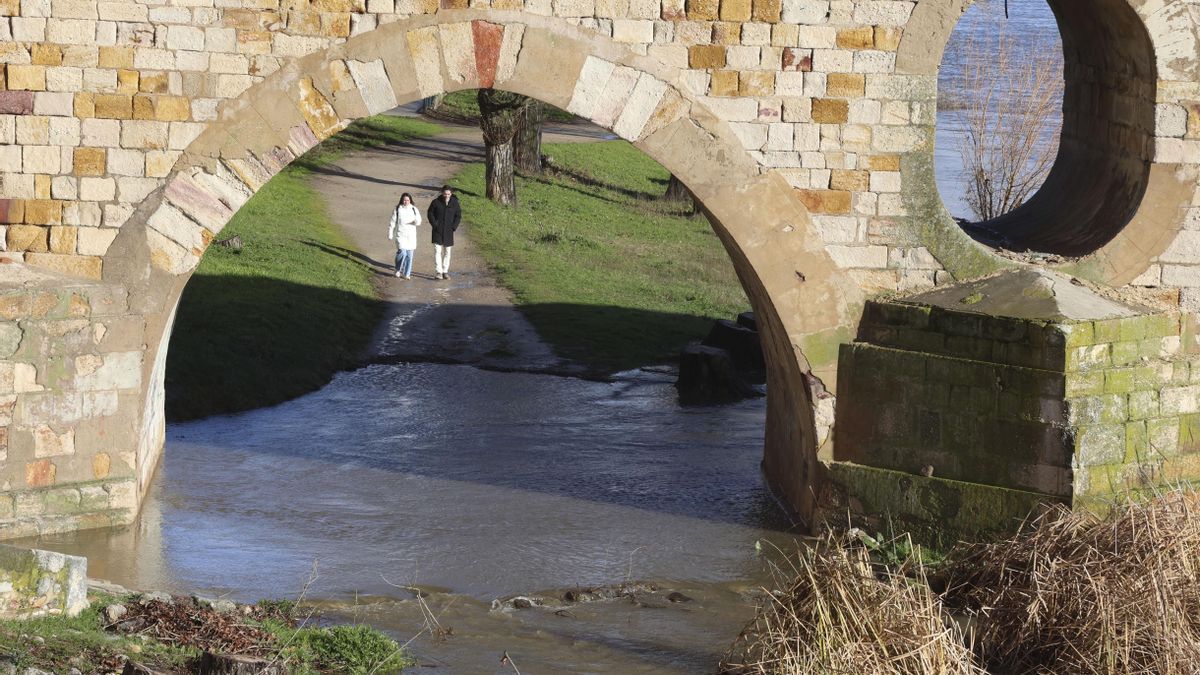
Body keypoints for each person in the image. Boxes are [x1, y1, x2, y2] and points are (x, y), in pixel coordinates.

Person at [427, 184, 461, 280]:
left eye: (448, 194)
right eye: (445, 194)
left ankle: (445, 271)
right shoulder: (436, 202)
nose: (447, 196)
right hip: (437, 230)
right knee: (437, 251)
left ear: (451, 194)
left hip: (449, 231)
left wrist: (454, 227)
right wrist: (435, 224)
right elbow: (430, 213)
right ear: (442, 193)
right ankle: (439, 272)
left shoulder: (455, 203)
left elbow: (458, 216)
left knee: (447, 252)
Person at [387, 192, 421, 279]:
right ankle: (397, 269)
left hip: (411, 236)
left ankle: (406, 273)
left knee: (409, 256)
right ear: (402, 200)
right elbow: (392, 223)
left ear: (410, 200)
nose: (406, 202)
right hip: (401, 235)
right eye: (404, 200)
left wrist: (415, 222)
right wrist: (390, 234)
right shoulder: (398, 209)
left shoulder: (414, 209)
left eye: (408, 200)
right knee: (402, 252)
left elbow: (419, 220)